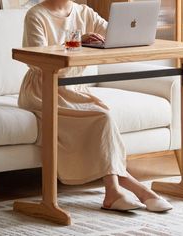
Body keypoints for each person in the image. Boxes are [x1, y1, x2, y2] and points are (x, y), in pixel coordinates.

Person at [19, 0, 173, 212]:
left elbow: (114, 35)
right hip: (43, 90)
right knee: (101, 117)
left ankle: (117, 192)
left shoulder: (84, 12)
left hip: (74, 89)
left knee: (103, 115)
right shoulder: (36, 15)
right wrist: (76, 43)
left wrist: (134, 31)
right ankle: (131, 190)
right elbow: (38, 60)